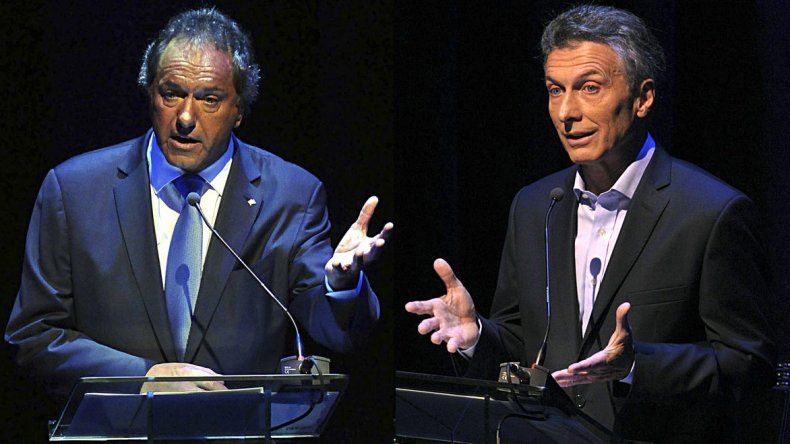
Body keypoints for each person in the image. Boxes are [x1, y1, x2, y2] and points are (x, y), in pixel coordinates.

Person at [405, 5, 774, 441]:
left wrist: (637, 366)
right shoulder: (534, 205)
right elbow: (525, 345)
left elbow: (749, 366)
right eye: (555, 90)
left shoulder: (711, 212)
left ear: (643, 98)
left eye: (589, 88)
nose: (566, 112)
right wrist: (476, 335)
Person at [5, 8, 392, 396]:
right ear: (149, 91)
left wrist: (342, 284)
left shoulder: (291, 196)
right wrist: (145, 377)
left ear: (239, 110)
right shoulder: (74, 191)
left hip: (238, 430)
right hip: (117, 430)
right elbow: (33, 336)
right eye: (171, 93)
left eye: (209, 99)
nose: (186, 117)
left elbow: (334, 331)